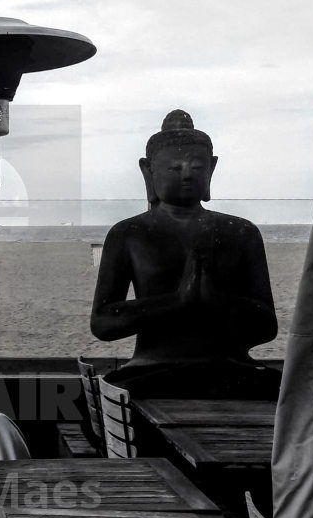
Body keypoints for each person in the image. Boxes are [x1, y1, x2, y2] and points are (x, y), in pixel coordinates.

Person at [90, 109, 279, 398]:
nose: (187, 174)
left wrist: (217, 301)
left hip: (229, 368)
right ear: (148, 170)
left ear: (212, 169)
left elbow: (266, 326)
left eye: (197, 167)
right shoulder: (128, 233)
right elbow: (103, 323)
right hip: (151, 369)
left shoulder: (241, 232)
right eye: (175, 168)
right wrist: (177, 302)